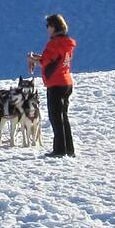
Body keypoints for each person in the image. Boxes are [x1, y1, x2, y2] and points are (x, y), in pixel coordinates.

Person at [28, 13, 76, 157]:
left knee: (56, 117)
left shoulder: (54, 44)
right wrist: (38, 57)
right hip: (66, 82)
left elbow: (46, 62)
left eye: (48, 26)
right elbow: (55, 60)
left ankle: (59, 150)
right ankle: (69, 149)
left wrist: (31, 59)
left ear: (54, 27)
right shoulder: (67, 43)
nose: (47, 29)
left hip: (55, 84)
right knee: (64, 117)